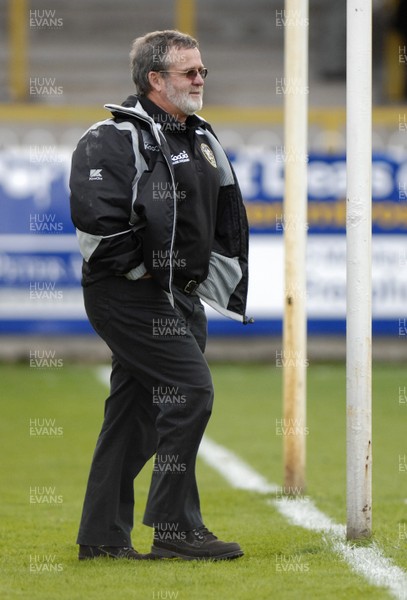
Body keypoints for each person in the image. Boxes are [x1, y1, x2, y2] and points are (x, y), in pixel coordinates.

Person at [69, 29, 251, 561]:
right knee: (190, 392)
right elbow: (96, 217)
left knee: (132, 419)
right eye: (189, 71)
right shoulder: (110, 136)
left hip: (179, 297)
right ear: (155, 78)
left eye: (202, 71)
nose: (200, 79)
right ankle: (176, 528)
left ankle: (101, 540)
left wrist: (200, 283)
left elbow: (219, 220)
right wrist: (145, 274)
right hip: (130, 295)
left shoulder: (198, 138)